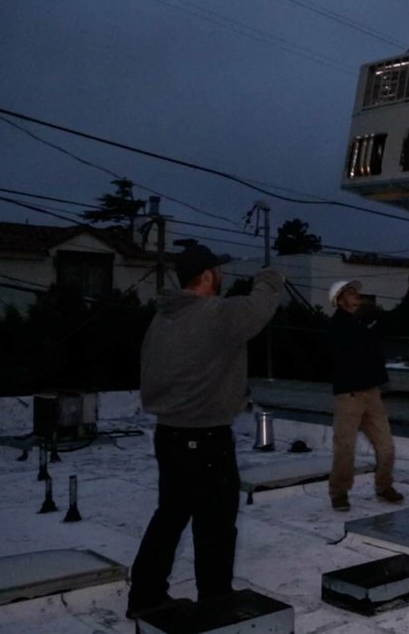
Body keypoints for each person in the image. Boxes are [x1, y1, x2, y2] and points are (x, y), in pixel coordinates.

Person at [127, 244, 284, 618]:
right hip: (206, 437)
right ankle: (215, 603)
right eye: (219, 270)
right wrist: (270, 277)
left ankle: (145, 596)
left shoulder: (163, 318)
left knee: (170, 515)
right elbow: (258, 309)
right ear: (209, 275)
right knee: (215, 523)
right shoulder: (216, 314)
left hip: (169, 434)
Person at [326, 268, 409, 512]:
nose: (356, 294)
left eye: (355, 291)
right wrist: (365, 324)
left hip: (372, 394)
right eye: (350, 292)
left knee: (386, 446)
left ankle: (384, 486)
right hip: (348, 396)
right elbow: (341, 348)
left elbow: (399, 316)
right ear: (339, 300)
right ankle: (339, 493)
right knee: (345, 449)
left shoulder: (368, 320)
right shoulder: (336, 326)